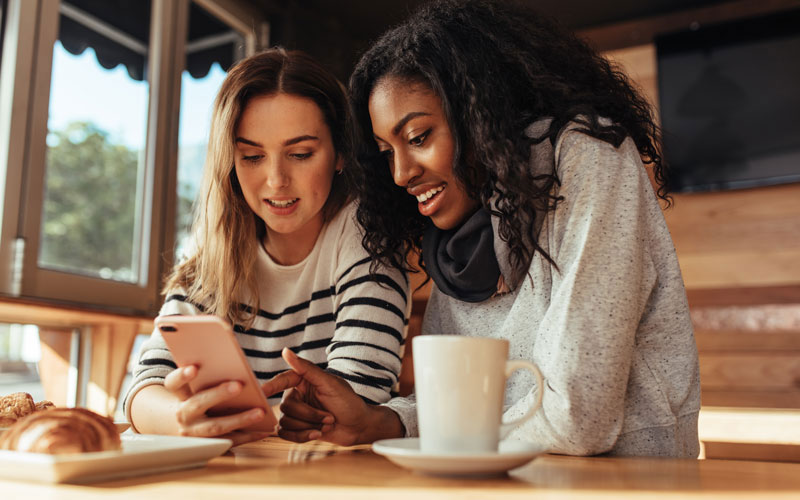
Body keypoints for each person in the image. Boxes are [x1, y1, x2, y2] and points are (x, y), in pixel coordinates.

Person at [265, 0, 701, 457]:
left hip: (629, 482)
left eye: (418, 138)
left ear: (479, 115)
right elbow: (461, 405)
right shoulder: (455, 238)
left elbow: (579, 418)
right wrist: (382, 421)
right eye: (386, 152)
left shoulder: (586, 157)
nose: (400, 174)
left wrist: (429, 434)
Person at [124, 48, 410, 444]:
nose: (276, 180)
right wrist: (181, 417)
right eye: (253, 156)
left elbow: (355, 402)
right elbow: (143, 390)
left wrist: (242, 421)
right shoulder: (216, 245)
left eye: (300, 154)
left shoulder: (367, 234)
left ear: (340, 153)